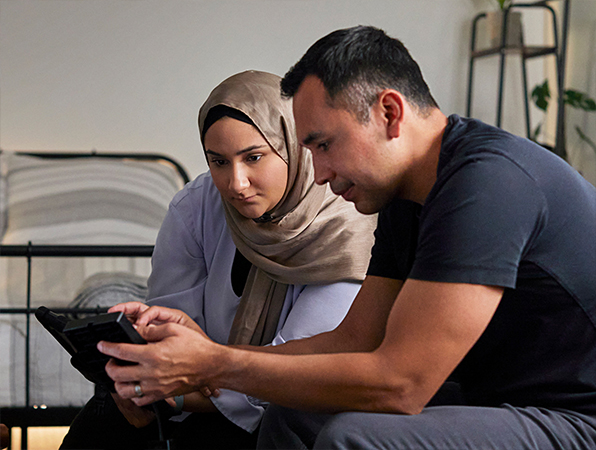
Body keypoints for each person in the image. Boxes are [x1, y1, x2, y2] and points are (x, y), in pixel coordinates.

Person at [98, 26, 596, 449]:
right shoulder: (405, 196)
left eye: (323, 145)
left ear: (389, 113)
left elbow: (402, 385)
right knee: (291, 415)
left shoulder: (487, 184)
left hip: (574, 415)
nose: (317, 173)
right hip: (492, 395)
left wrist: (214, 365)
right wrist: (207, 362)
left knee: (354, 436)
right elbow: (353, 341)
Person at [60, 70, 377, 450]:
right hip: (199, 392)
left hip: (294, 406)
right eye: (218, 161)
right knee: (100, 423)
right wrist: (141, 378)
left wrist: (172, 391)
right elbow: (168, 328)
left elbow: (295, 369)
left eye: (254, 157)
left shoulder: (343, 228)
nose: (235, 183)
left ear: (293, 146)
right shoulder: (198, 206)